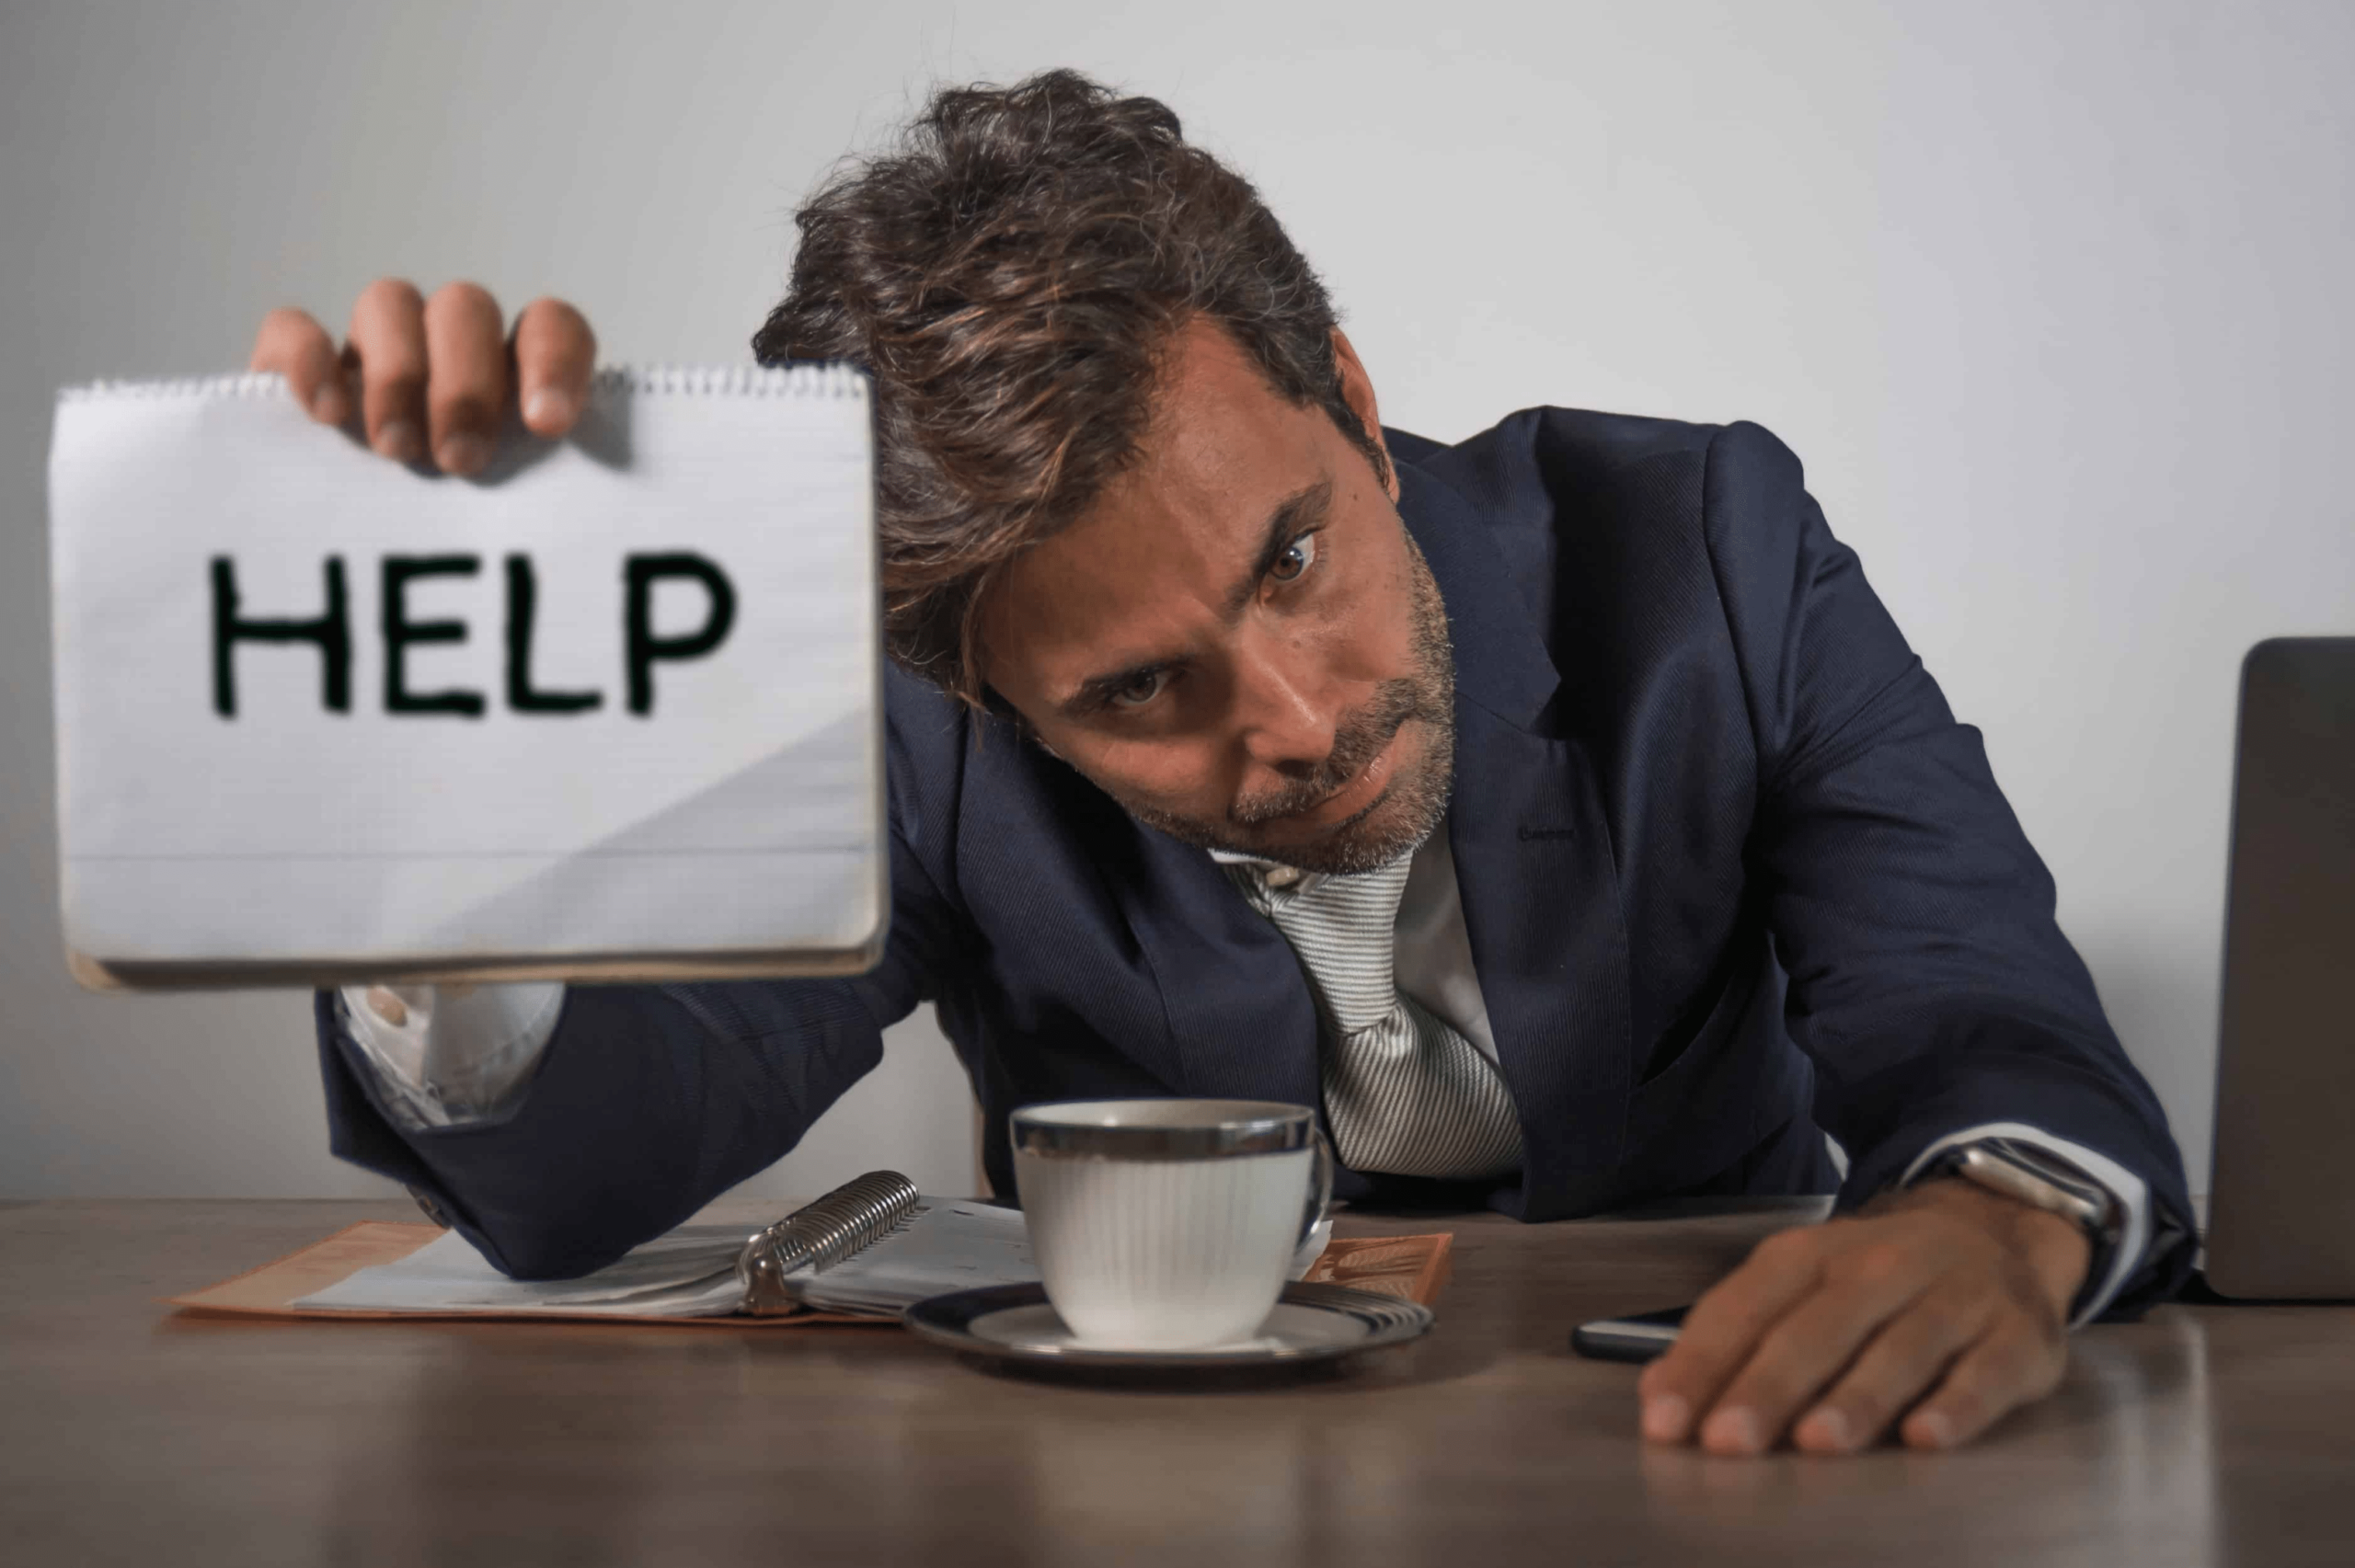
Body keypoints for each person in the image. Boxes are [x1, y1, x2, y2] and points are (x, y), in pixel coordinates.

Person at [249, 69, 2192, 1458]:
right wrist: (456, 803)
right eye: (1133, 697)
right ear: (990, 694)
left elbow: (1972, 1006)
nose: (1289, 722)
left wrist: (1989, 1217)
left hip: (1699, 1446)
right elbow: (585, 1175)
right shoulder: (923, 736)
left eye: (1293, 560)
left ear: (1347, 397)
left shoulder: (1705, 546)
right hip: (1154, 1490)